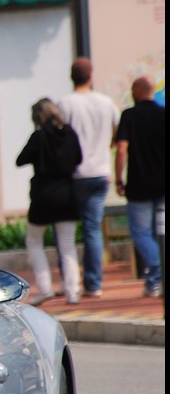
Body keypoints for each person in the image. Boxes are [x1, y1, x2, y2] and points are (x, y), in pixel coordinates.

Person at [58, 57, 121, 297]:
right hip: (100, 173)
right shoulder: (106, 103)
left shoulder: (65, 104)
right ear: (91, 76)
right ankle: (93, 284)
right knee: (93, 228)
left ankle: (70, 284)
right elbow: (117, 133)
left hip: (74, 175)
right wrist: (107, 147)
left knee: (67, 232)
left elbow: (59, 136)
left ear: (71, 76)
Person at [16, 98, 83, 305]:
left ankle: (44, 288)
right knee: (67, 245)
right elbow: (79, 159)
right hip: (67, 194)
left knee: (34, 241)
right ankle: (73, 291)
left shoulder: (39, 137)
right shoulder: (70, 133)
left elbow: (20, 160)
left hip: (43, 195)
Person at [114, 75, 165, 298]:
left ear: (136, 91)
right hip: (162, 185)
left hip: (139, 185)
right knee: (160, 231)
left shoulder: (129, 116)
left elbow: (122, 148)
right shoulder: (163, 114)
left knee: (141, 232)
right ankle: (156, 275)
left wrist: (118, 178)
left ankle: (156, 272)